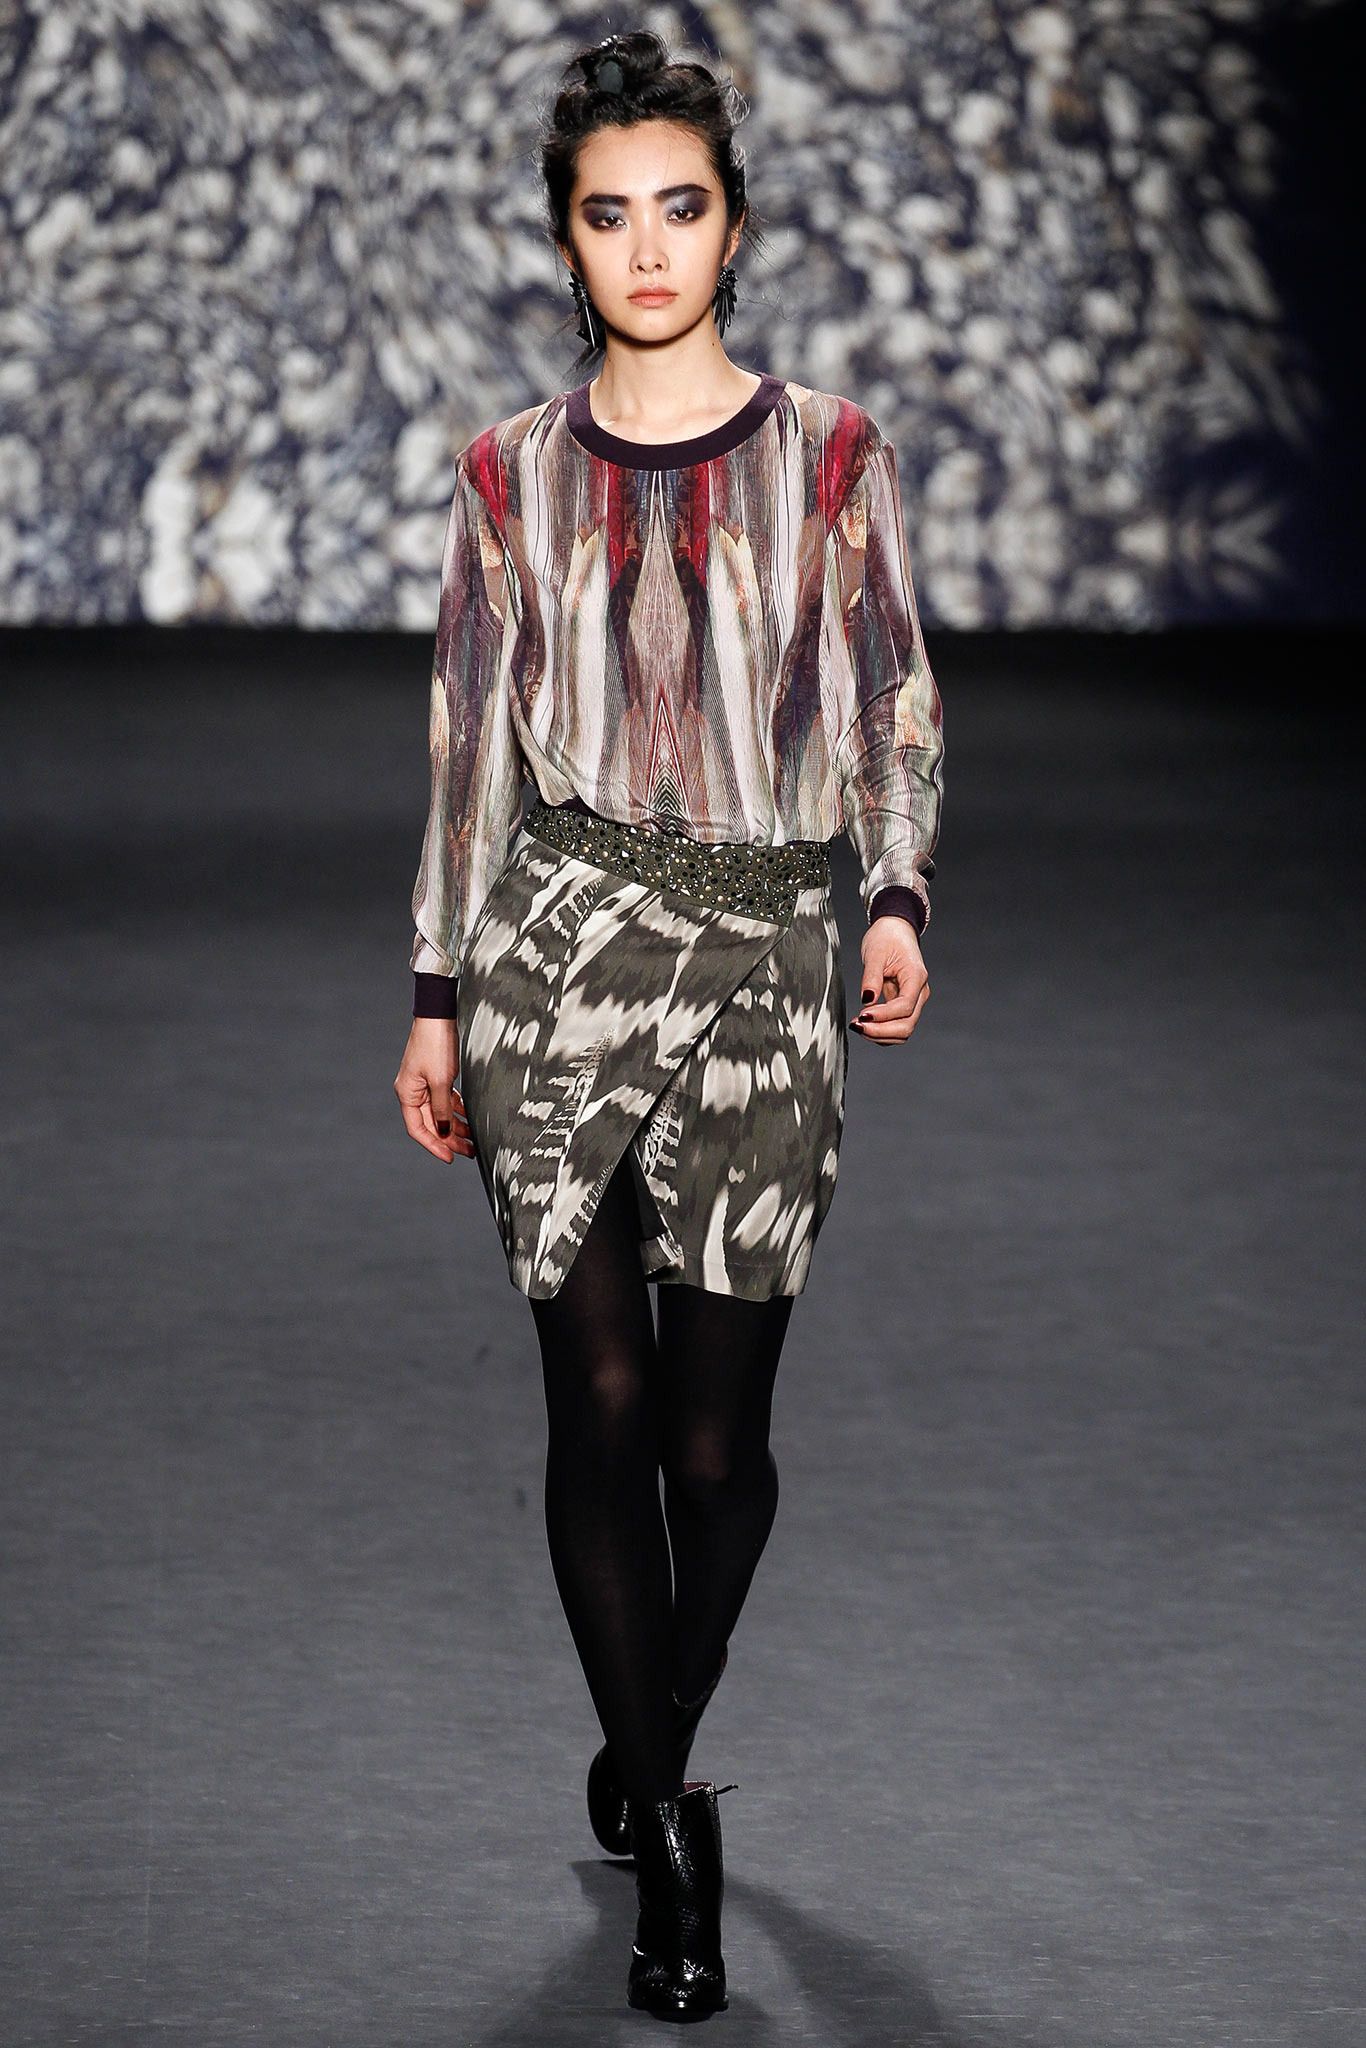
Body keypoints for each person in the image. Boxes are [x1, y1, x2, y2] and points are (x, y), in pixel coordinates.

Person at [392, 28, 944, 2023]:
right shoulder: (506, 474)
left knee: (716, 1450)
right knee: (599, 1408)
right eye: (607, 214)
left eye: (678, 208)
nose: (644, 247)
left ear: (732, 225)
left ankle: (652, 1727)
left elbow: (887, 692)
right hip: (551, 954)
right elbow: (466, 743)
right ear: (565, 239)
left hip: (768, 966)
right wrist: (437, 990)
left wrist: (894, 889)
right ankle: (672, 1854)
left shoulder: (831, 454)